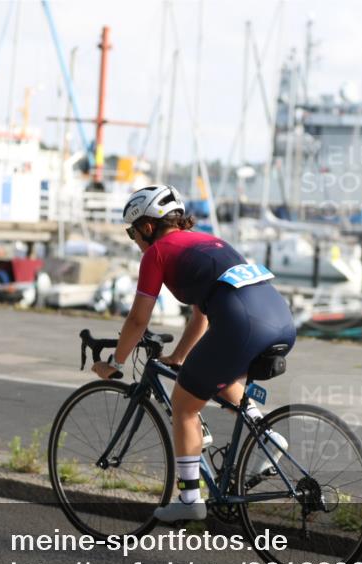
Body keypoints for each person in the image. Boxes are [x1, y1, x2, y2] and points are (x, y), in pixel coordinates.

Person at [91, 185, 296, 522]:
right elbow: (201, 314)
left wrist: (115, 363)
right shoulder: (209, 242)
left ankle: (189, 499)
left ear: (147, 226)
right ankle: (266, 436)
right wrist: (180, 356)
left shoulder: (157, 253)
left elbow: (137, 318)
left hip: (241, 324)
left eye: (132, 232)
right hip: (281, 320)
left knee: (184, 406)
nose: (133, 240)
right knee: (218, 378)